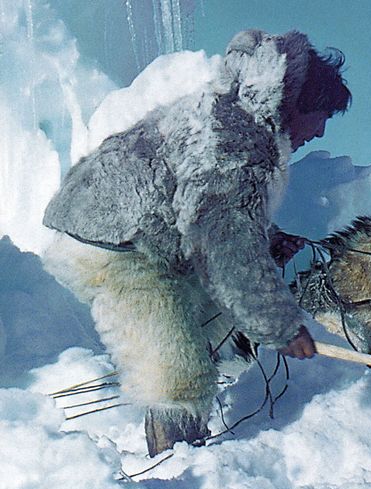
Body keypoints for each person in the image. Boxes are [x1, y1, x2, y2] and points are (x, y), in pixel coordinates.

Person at [41, 29, 351, 456]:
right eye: (322, 119)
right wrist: (279, 326)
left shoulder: (230, 116)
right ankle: (178, 476)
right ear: (303, 102)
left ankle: (179, 452)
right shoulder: (238, 141)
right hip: (115, 248)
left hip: (127, 235)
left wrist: (269, 240)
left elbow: (207, 209)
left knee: (206, 323)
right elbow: (227, 247)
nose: (318, 134)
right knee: (179, 376)